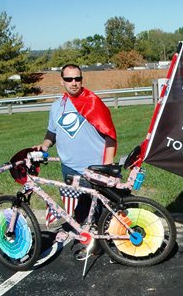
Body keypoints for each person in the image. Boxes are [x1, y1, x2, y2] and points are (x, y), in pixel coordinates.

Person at [34, 63, 117, 260]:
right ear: (62, 81)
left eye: (77, 79)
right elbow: (52, 132)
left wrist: (108, 163)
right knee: (84, 207)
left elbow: (110, 134)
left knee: (99, 207)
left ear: (82, 79)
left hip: (94, 166)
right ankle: (91, 239)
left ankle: (99, 245)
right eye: (69, 79)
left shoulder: (92, 102)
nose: (74, 83)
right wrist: (45, 145)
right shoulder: (56, 106)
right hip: (69, 167)